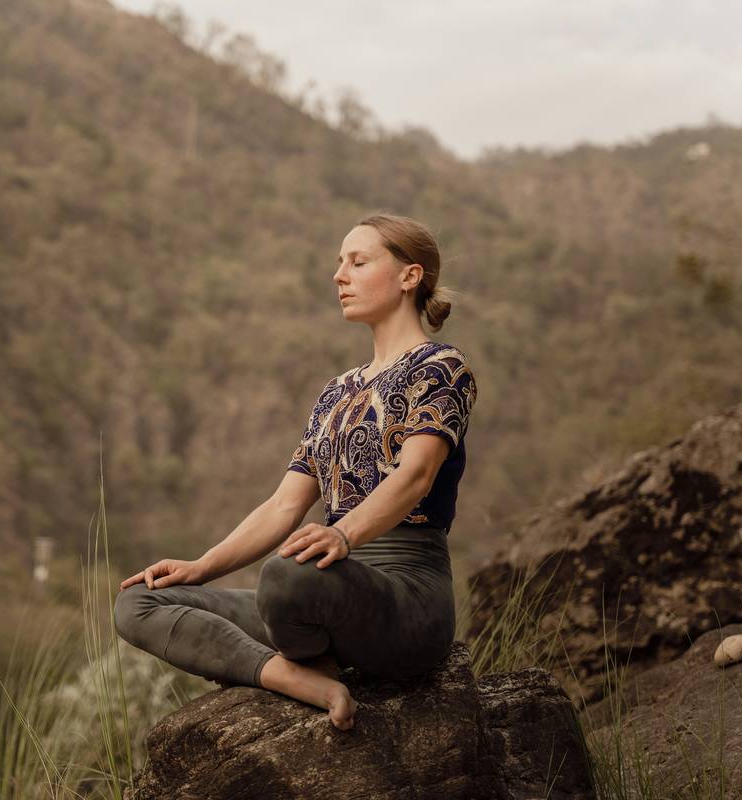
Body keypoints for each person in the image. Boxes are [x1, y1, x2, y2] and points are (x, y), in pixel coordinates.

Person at [113, 212, 477, 732]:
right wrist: (201, 566)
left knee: (286, 574)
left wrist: (343, 534)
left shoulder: (441, 368)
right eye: (338, 263)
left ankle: (309, 655)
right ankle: (286, 673)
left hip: (404, 596)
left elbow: (416, 476)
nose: (339, 276)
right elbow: (285, 505)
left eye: (358, 261)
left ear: (409, 277)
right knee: (138, 601)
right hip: (324, 579)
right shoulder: (338, 390)